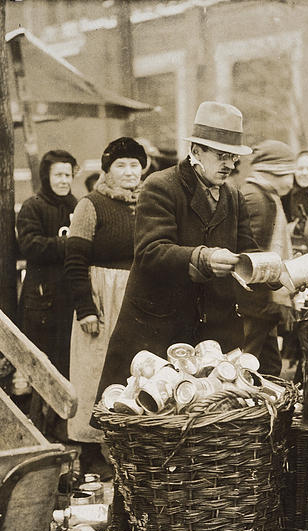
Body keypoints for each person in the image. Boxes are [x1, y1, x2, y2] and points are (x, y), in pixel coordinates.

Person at [96, 101, 260, 394]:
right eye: (222, 155)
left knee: (209, 416)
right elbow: (150, 251)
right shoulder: (161, 186)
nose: (229, 165)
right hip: (159, 327)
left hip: (213, 332)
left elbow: (248, 249)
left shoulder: (233, 195)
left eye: (233, 157)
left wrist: (273, 270)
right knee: (147, 414)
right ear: (196, 150)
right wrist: (203, 256)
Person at [65, 138, 146, 475]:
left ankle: (130, 449)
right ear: (108, 171)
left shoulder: (149, 204)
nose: (129, 172)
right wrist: (85, 308)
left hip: (137, 298)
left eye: (135, 165)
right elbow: (74, 260)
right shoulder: (91, 205)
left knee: (136, 372)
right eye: (121, 165)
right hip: (101, 298)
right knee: (95, 371)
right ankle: (95, 456)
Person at [16, 149, 78, 437]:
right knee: (40, 368)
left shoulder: (75, 205)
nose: (64, 180)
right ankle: (36, 431)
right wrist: (66, 245)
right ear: (46, 176)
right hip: (40, 300)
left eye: (68, 174)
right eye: (59, 175)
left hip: (68, 300)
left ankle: (60, 430)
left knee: (65, 364)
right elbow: (30, 246)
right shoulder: (33, 207)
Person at [238, 140, 295, 376]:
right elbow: (252, 259)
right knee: (246, 365)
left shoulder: (262, 194)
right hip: (257, 304)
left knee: (270, 365)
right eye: (289, 173)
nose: (292, 181)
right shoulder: (258, 199)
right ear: (276, 172)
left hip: (261, 302)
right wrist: (267, 305)